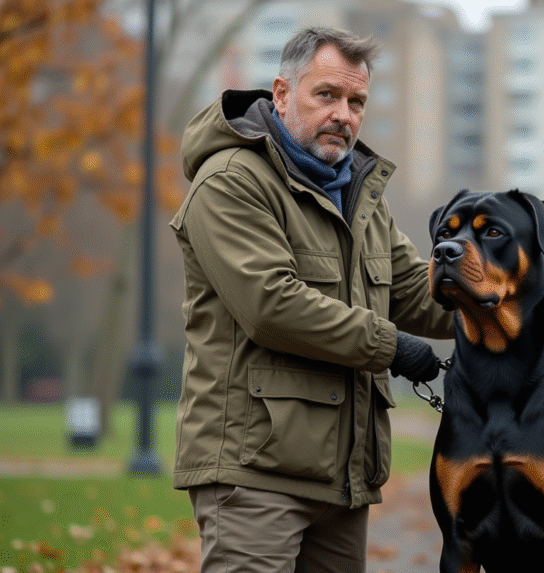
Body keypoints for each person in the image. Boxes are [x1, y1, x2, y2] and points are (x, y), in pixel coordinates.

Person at [169, 27, 453, 573]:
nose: (343, 114)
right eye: (326, 95)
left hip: (343, 480)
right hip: (254, 475)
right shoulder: (230, 180)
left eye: (356, 101)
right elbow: (272, 307)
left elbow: (415, 290)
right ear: (281, 94)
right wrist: (392, 348)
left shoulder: (357, 194)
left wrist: (505, 300)